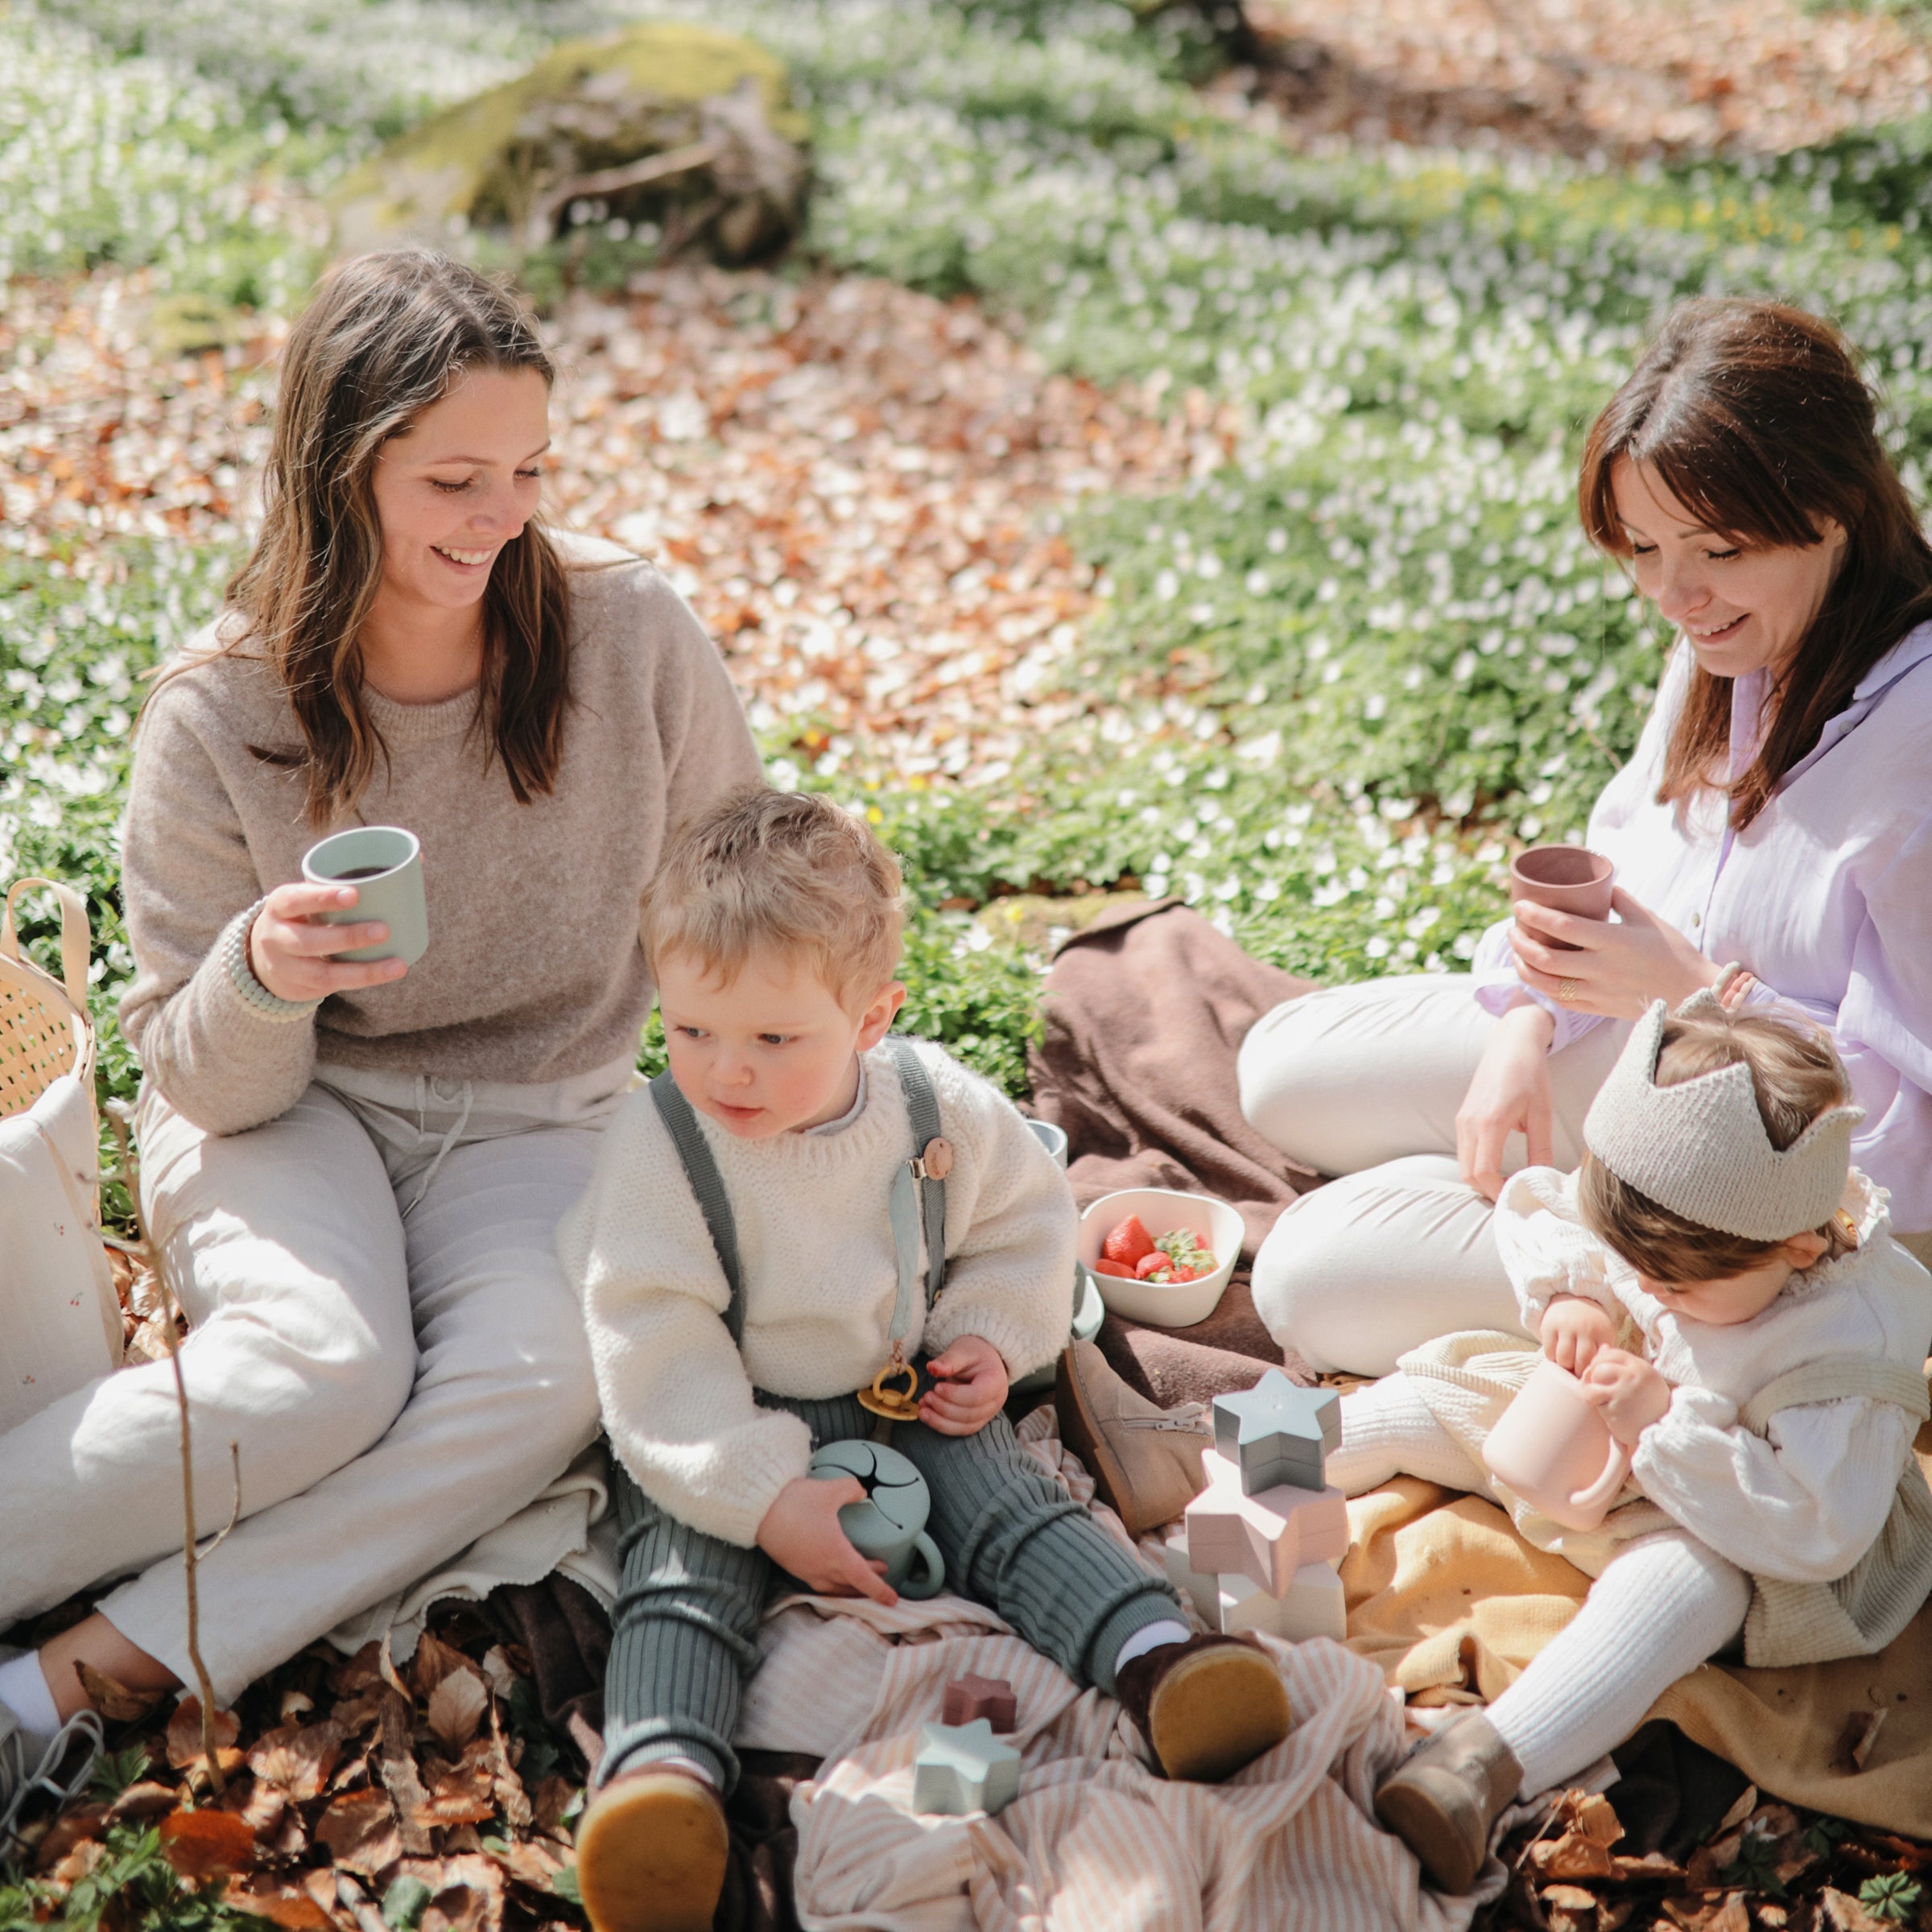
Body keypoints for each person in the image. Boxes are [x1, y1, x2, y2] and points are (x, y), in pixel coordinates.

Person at [0, 249, 763, 1824]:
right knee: (320, 1379)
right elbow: (197, 1074)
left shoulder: (629, 640)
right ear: (343, 471)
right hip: (294, 1114)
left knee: (545, 1387)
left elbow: (738, 885)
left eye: (531, 471)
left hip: (540, 1112)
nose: (501, 516)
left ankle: (58, 1684)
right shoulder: (219, 716)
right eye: (456, 477)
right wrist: (265, 977)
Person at [560, 790, 1291, 1932]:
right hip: (737, 1417)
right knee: (681, 1576)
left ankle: (1160, 1663)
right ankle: (663, 1785)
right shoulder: (661, 1147)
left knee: (1014, 1508)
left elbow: (1025, 1228)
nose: (726, 1073)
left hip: (904, 1389)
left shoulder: (927, 1103)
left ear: (870, 1019)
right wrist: (763, 1497)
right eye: (691, 1031)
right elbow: (653, 1337)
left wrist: (992, 1342)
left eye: (772, 1039)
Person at [1236, 299, 1932, 1376]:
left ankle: (1619, 1274)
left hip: (1773, 1187)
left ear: (1834, 508)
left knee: (1305, 1279)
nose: (1674, 595)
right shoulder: (1738, 639)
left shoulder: (1916, 739)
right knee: (1279, 1070)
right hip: (1645, 1052)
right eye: (1643, 549)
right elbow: (1633, 865)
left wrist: (1705, 997)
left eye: (1717, 548)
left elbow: (1906, 1133)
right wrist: (1522, 1028)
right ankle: (1526, 1197)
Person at [1330, 988, 1932, 1889]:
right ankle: (1233, 1456)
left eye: (1673, 1285)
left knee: (1690, 1590)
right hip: (1623, 1422)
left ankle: (1486, 1766)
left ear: (1799, 1250)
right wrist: (1574, 1294)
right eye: (1632, 1263)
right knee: (1446, 1395)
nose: (1645, 1285)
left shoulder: (1847, 1346)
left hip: (1742, 1507)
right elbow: (1563, 1212)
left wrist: (1662, 1421)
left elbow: (1815, 1530)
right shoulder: (1673, 1194)